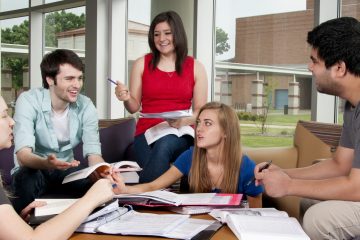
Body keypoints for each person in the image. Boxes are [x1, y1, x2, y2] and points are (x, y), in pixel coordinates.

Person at [254, 17, 360, 239]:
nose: (309, 67)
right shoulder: (352, 105)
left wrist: (289, 185)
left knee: (319, 220)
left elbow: (356, 188)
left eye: (315, 61)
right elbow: (340, 165)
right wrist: (283, 174)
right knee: (310, 199)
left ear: (339, 67)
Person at [0, 95, 114, 239]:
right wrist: (92, 198)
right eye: (4, 116)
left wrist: (16, 225)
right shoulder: (30, 102)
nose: (12, 122)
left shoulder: (85, 106)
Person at [114, 11, 208, 183]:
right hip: (146, 131)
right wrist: (126, 97)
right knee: (161, 151)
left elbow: (200, 111)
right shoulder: (141, 63)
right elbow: (134, 107)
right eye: (156, 34)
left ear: (177, 34)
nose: (161, 39)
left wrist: (185, 121)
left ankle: (137, 195)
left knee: (166, 143)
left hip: (181, 130)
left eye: (167, 33)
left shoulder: (196, 67)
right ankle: (156, 195)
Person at [111, 102, 263, 208]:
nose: (198, 129)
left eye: (208, 123)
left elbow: (256, 216)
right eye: (199, 122)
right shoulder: (190, 156)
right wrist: (125, 190)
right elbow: (154, 185)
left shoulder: (247, 168)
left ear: (226, 132)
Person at [11, 49, 108, 213]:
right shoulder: (28, 100)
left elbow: (93, 153)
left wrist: (104, 171)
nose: (76, 85)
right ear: (50, 79)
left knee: (97, 185)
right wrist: (46, 163)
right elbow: (23, 156)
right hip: (33, 168)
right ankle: (21, 229)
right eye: (69, 78)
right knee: (27, 178)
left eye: (79, 78)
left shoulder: (86, 105)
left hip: (65, 170)